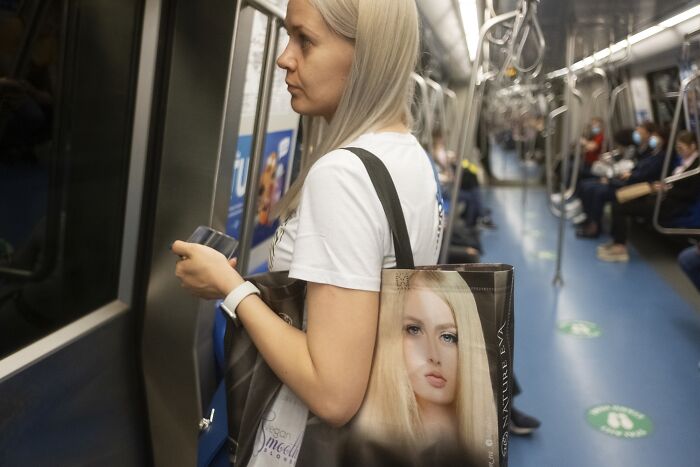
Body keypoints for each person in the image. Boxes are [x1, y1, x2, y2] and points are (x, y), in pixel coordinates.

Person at [171, 0, 442, 463]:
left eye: (305, 40)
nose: (284, 58)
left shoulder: (343, 176)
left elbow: (333, 392)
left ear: (366, 56)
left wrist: (230, 288)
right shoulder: (410, 155)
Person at [355, 271, 498, 465]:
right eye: (414, 329)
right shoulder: (365, 445)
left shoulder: (482, 446)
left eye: (448, 337)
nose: (433, 356)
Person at [599, 130, 700, 262]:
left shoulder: (696, 168)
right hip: (663, 197)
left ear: (693, 146)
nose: (679, 151)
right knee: (619, 200)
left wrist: (666, 189)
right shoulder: (683, 162)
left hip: (672, 205)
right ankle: (616, 241)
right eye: (677, 148)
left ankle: (620, 248)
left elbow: (690, 195)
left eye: (682, 148)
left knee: (620, 207)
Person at [576, 127, 666, 238]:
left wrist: (614, 180)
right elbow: (633, 169)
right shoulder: (646, 151)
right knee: (586, 185)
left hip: (636, 187)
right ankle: (590, 219)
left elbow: (640, 175)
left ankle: (595, 227)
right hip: (626, 181)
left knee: (597, 191)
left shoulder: (658, 156)